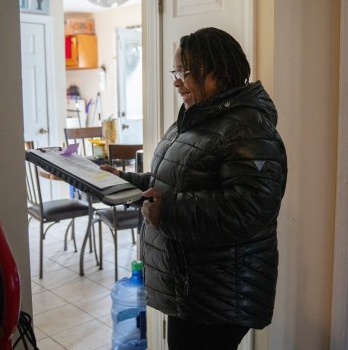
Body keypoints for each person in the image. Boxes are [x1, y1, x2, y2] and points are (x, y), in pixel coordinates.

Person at [101, 27, 287, 350]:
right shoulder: (197, 118)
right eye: (176, 72)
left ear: (218, 74)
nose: (176, 82)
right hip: (193, 289)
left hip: (218, 296)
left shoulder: (248, 127)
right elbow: (167, 184)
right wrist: (122, 182)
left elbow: (250, 207)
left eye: (184, 73)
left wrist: (169, 209)